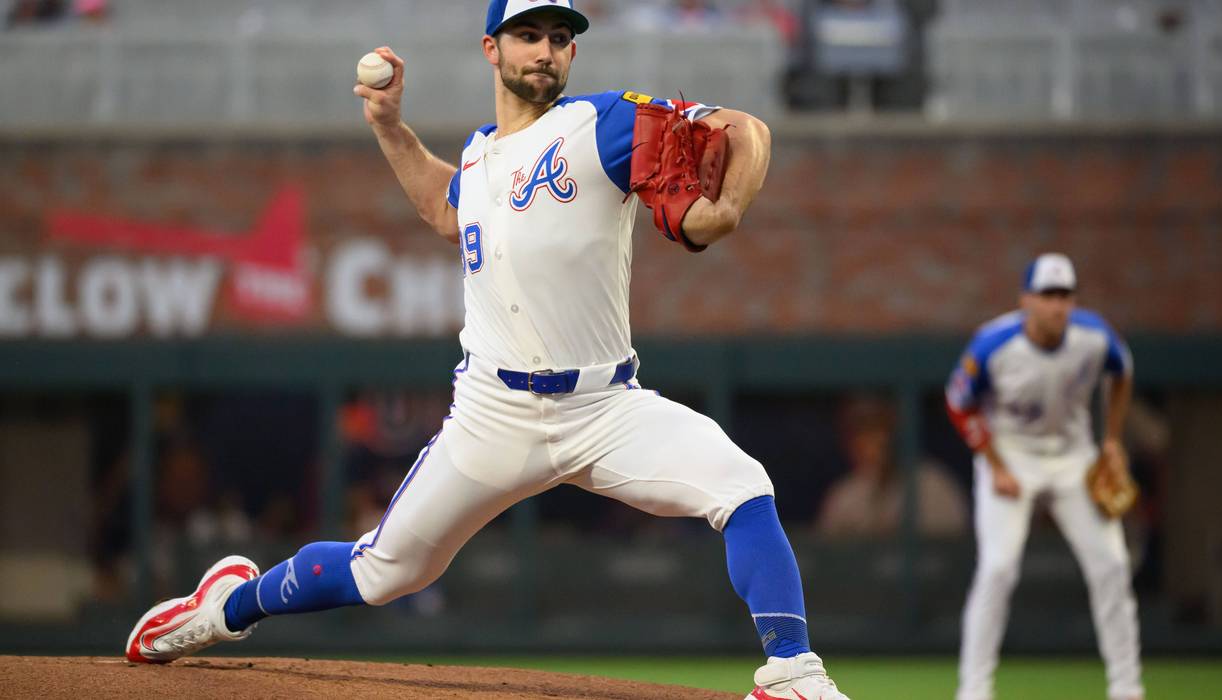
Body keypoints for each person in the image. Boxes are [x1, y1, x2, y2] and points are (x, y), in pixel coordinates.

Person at [124, 2, 849, 698]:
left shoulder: (601, 122)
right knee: (383, 572)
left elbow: (745, 129)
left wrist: (727, 206)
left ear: (572, 51)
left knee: (741, 485)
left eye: (559, 36)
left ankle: (792, 674)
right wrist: (389, 127)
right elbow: (447, 209)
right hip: (492, 413)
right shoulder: (478, 157)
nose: (544, 48)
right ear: (490, 49)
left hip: (604, 406)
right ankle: (223, 608)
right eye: (526, 33)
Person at [945, 253, 1144, 700]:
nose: (1058, 305)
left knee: (1111, 565)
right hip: (1010, 456)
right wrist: (995, 465)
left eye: (1065, 295)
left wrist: (1112, 439)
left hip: (1075, 459)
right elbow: (958, 403)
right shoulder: (994, 343)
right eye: (1049, 295)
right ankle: (974, 690)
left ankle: (1127, 688)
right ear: (1027, 299)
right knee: (997, 569)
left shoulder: (1094, 336)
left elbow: (1123, 373)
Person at [816, 395, 967, 539]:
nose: (872, 441)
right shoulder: (844, 496)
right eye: (862, 430)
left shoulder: (935, 486)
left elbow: (952, 554)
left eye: (878, 427)